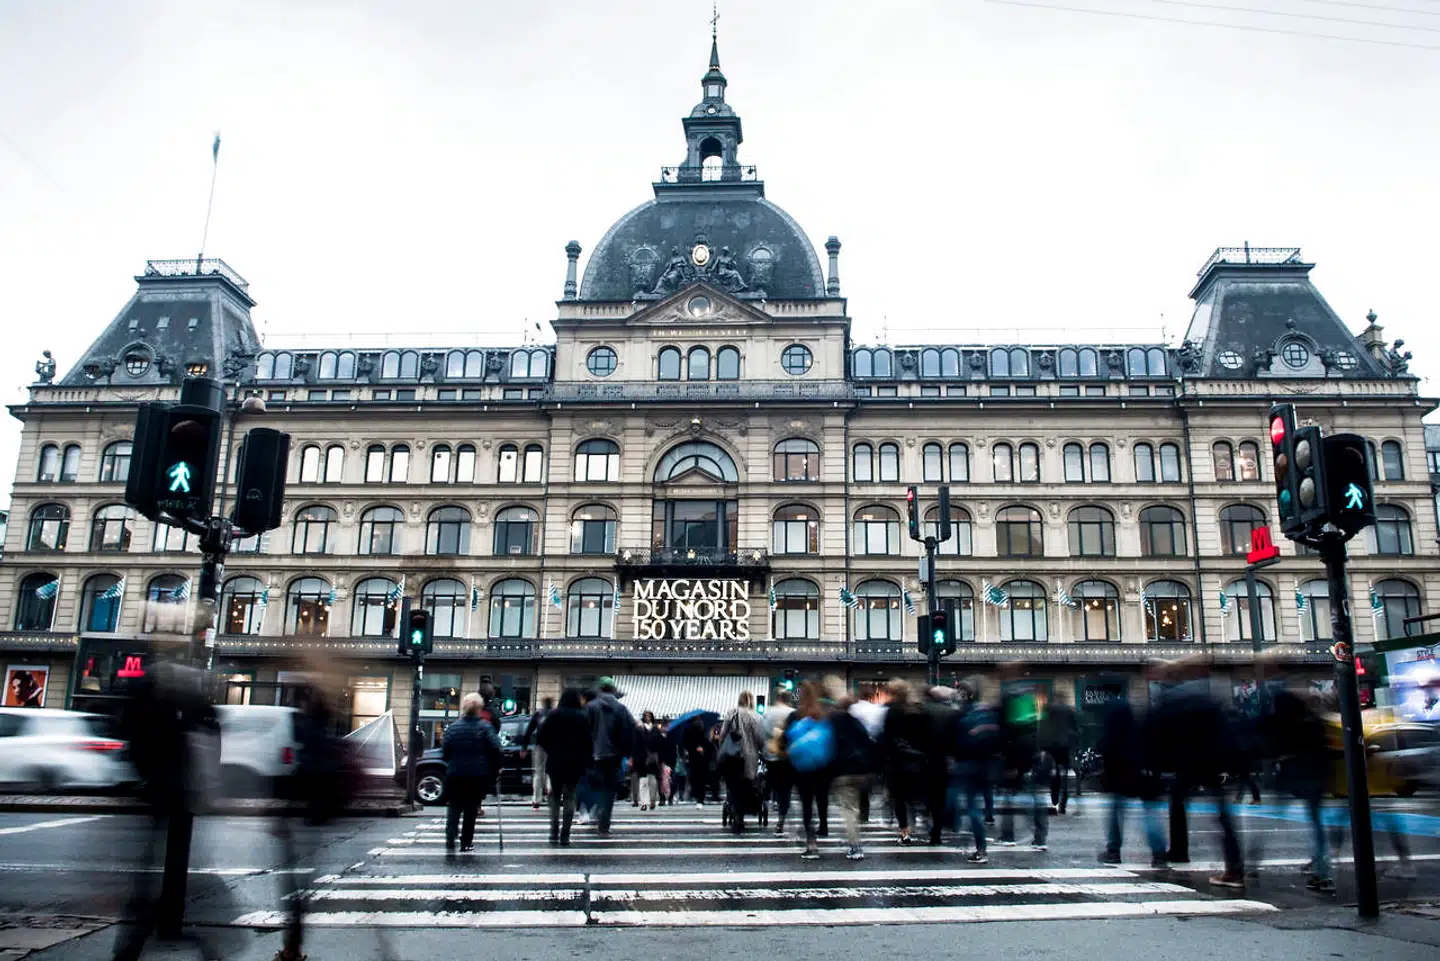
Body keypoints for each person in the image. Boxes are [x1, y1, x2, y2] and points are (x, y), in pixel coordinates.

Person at [1096, 693, 1165, 866]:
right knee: (1150, 812)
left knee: (1116, 811)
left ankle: (1113, 851)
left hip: (1120, 774)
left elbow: (1106, 750)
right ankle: (1158, 853)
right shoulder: (1143, 727)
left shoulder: (1113, 733)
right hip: (1144, 773)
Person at [443, 692, 502, 853]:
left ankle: (450, 835)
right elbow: (495, 748)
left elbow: (445, 751)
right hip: (477, 774)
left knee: (454, 806)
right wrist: (497, 767)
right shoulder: (485, 727)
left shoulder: (453, 728)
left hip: (455, 773)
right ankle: (466, 842)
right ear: (479, 709)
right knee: (470, 809)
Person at [827, 679, 876, 860]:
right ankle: (852, 836)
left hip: (843, 771)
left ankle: (855, 845)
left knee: (848, 809)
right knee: (854, 808)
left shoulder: (832, 721)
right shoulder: (856, 722)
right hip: (860, 771)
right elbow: (868, 744)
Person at [998, 679, 1049, 851]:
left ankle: (1007, 836)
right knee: (1036, 800)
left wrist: (1009, 764)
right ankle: (1040, 838)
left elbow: (1009, 739)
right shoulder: (1033, 714)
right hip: (1032, 759)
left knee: (1009, 800)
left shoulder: (1012, 715)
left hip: (1016, 761)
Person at [537, 688, 593, 846]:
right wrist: (586, 760)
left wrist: (551, 750)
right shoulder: (582, 717)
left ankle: (553, 831)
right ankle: (565, 834)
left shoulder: (554, 715)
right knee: (570, 796)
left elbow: (541, 737)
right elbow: (588, 742)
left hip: (555, 760)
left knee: (554, 796)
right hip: (575, 763)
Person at [952, 679, 1000, 863]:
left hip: (966, 763)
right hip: (985, 763)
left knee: (967, 803)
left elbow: (956, 740)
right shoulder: (986, 712)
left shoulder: (961, 713)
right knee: (982, 798)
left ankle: (977, 844)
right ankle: (981, 846)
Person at [881, 679, 933, 844]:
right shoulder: (917, 711)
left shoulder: (891, 711)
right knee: (913, 796)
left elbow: (887, 738)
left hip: (896, 761)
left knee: (899, 799)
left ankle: (905, 831)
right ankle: (920, 821)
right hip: (915, 759)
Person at [784, 681, 831, 859]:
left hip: (801, 767)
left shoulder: (796, 716)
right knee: (821, 798)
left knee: (806, 804)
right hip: (822, 766)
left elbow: (784, 740)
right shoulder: (823, 716)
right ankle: (824, 825)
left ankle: (811, 843)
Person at [584, 676, 635, 835]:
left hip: (593, 755)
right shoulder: (621, 709)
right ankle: (604, 822)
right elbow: (629, 732)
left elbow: (583, 731)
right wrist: (625, 753)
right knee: (609, 790)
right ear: (613, 690)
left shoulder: (590, 707)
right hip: (613, 756)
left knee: (593, 785)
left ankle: (593, 811)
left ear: (600, 689)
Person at [717, 691, 765, 832]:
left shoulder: (731, 713)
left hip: (732, 757)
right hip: (749, 757)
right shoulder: (756, 717)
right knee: (747, 784)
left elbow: (722, 735)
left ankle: (736, 812)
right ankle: (743, 812)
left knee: (733, 786)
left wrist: (723, 749)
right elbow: (760, 739)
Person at [1040, 693, 1080, 814]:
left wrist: (1042, 747)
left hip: (1052, 747)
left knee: (1054, 773)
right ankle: (1063, 800)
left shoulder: (1047, 710)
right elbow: (1075, 729)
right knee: (1065, 774)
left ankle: (1055, 799)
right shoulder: (1069, 710)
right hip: (1066, 746)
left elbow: (1043, 728)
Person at [764, 688, 796, 832]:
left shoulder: (767, 713)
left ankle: (773, 800)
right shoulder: (792, 713)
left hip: (771, 755)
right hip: (787, 756)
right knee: (786, 788)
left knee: (773, 783)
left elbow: (762, 733)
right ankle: (782, 816)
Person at [525, 696, 554, 810]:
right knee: (550, 772)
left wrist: (524, 747)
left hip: (539, 745)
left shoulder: (538, 714)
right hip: (552, 746)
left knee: (538, 772)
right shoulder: (554, 714)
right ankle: (550, 793)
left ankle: (536, 800)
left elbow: (529, 731)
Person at [637, 712, 665, 810]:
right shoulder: (640, 729)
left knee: (652, 780)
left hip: (653, 757)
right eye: (646, 716)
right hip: (642, 757)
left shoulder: (655, 729)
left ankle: (652, 800)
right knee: (643, 781)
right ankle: (644, 802)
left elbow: (660, 744)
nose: (647, 718)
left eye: (649, 716)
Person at [682, 715, 712, 805]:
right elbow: (686, 744)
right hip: (694, 758)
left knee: (700, 778)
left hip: (702, 758)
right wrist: (695, 748)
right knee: (695, 778)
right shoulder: (689, 731)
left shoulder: (704, 731)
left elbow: (708, 744)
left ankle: (700, 796)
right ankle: (698, 796)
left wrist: (704, 749)